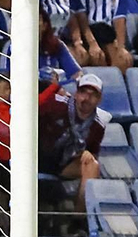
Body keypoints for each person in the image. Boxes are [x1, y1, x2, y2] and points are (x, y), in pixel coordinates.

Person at [37, 72, 104, 205]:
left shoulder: (98, 125)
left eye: (93, 95)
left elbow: (93, 151)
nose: (87, 98)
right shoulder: (55, 105)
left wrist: (88, 154)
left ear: (99, 99)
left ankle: (79, 219)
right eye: (84, 92)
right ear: (76, 93)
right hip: (38, 157)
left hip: (64, 164)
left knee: (92, 165)